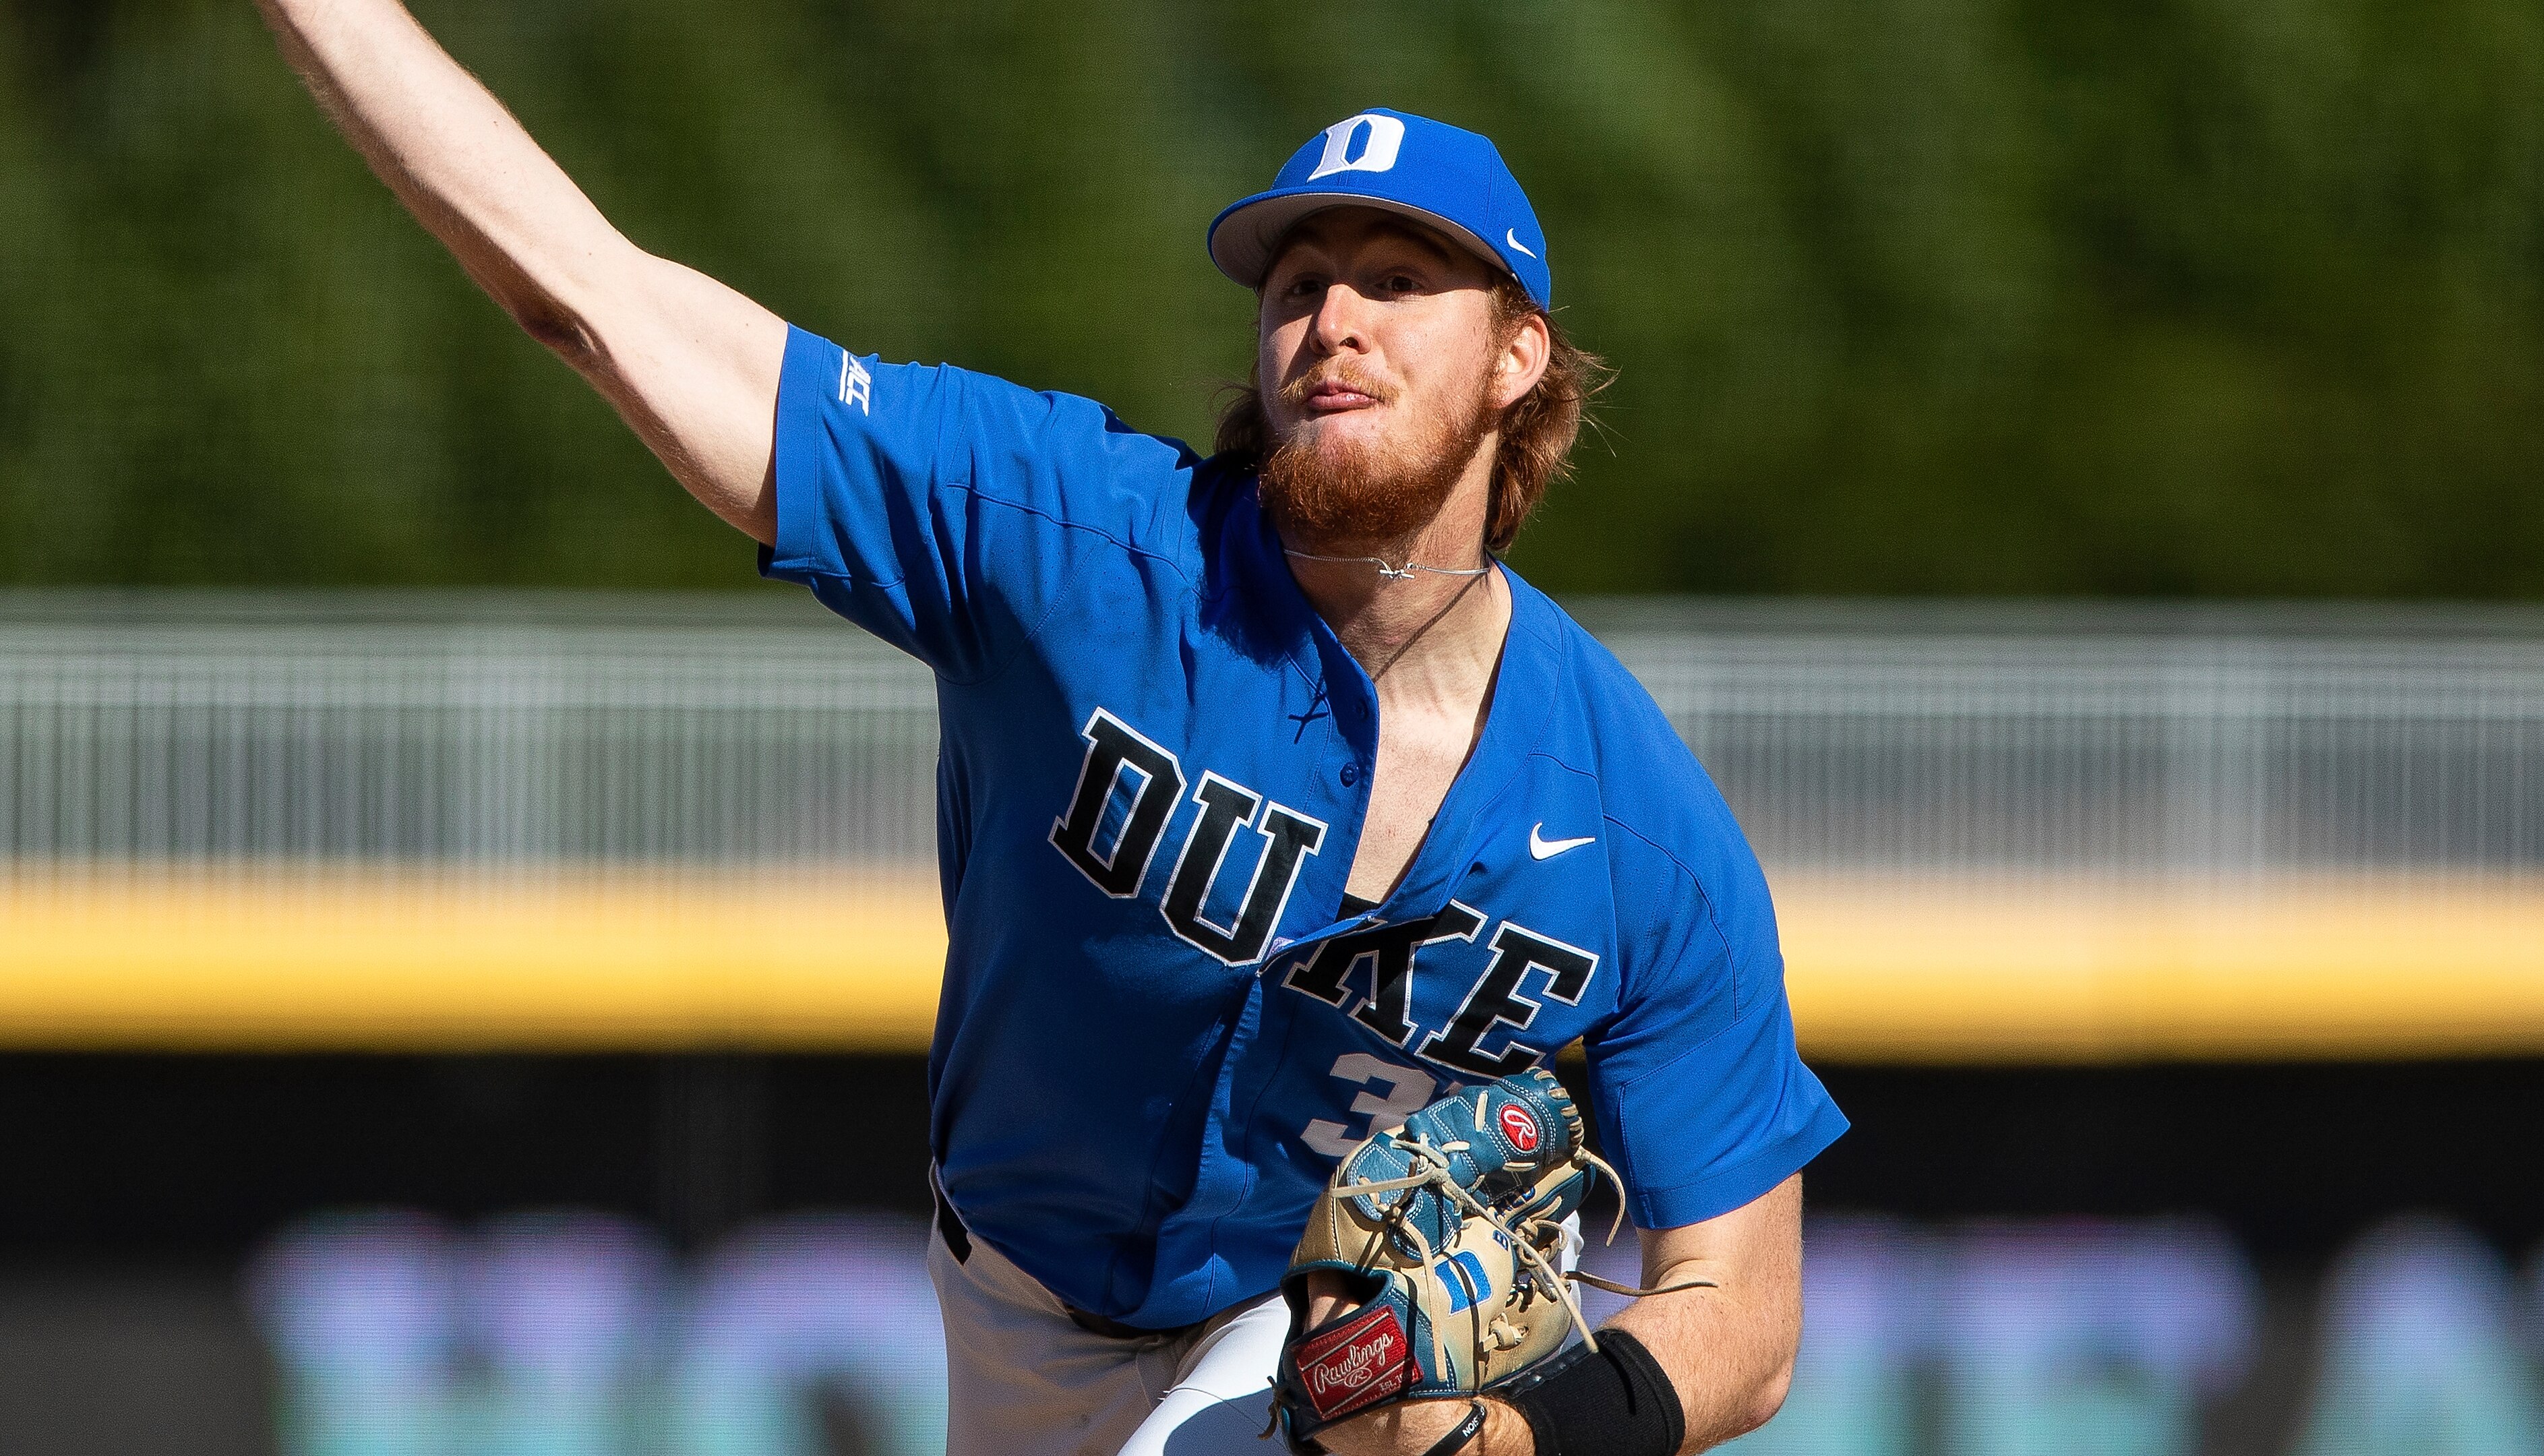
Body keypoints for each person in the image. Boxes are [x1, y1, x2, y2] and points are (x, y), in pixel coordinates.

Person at [255, 5, 1849, 1453]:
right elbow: (594, 295)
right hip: (1009, 1301)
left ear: (1519, 359)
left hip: (1299, 1356)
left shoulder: (1643, 836)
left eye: (1400, 279)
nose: (1332, 320)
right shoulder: (1072, 545)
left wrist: (1533, 1439)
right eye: (1297, 284)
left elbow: (1747, 1312)